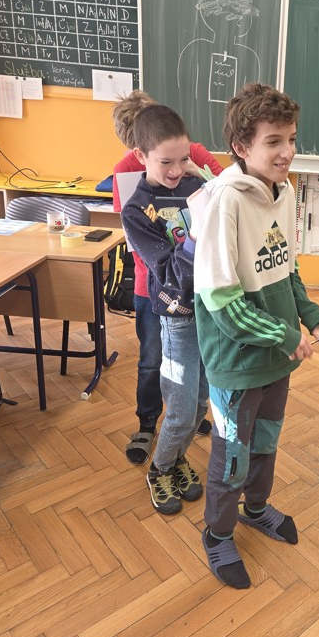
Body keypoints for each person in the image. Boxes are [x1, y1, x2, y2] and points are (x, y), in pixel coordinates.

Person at [185, 83, 319, 588]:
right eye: (273, 141)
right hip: (236, 361)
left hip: (276, 355)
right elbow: (221, 301)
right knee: (232, 454)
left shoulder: (285, 190)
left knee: (266, 440)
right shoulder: (224, 203)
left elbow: (286, 270)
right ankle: (217, 533)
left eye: (291, 138)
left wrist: (312, 316)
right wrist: (282, 334)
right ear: (241, 146)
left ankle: (255, 510)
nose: (288, 151)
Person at [112, 90, 223, 465]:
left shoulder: (191, 174)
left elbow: (229, 195)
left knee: (198, 393)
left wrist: (200, 174)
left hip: (206, 302)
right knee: (161, 375)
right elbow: (164, 265)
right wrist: (195, 234)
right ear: (140, 154)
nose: (177, 169)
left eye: (183, 159)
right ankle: (157, 451)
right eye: (166, 162)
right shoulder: (136, 204)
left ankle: (178, 450)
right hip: (169, 303)